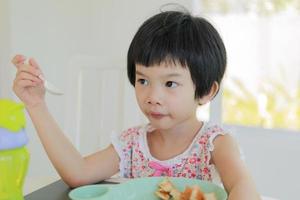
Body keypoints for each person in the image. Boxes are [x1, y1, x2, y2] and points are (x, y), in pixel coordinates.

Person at [12, 10, 260, 199]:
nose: (152, 95)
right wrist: (36, 105)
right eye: (143, 80)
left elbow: (244, 187)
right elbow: (78, 173)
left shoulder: (215, 144)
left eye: (170, 84)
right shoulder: (133, 144)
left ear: (206, 91)